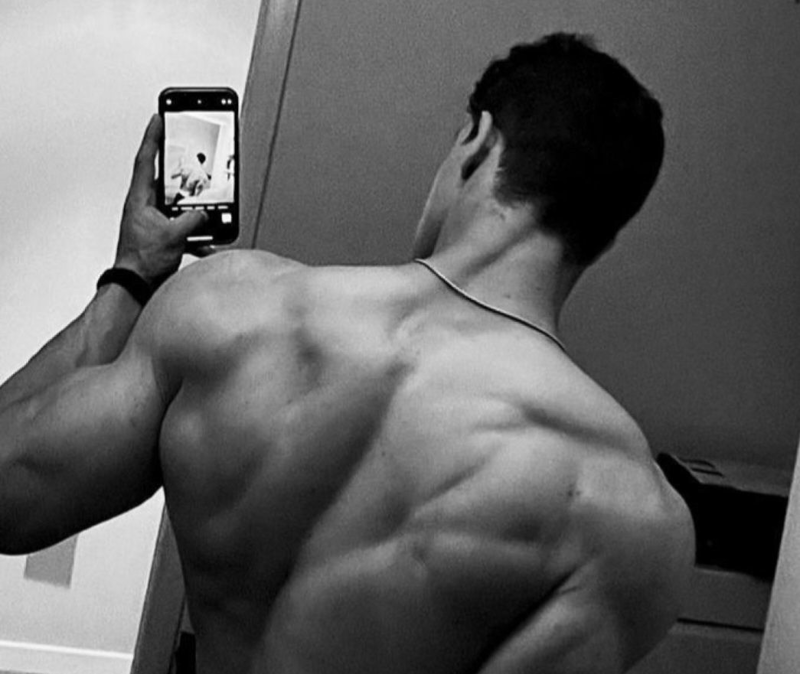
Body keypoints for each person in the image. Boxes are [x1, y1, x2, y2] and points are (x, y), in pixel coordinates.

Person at [0, 33, 694, 674]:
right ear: (605, 232)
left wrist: (131, 274)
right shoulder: (626, 510)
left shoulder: (231, 308)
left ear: (477, 143)